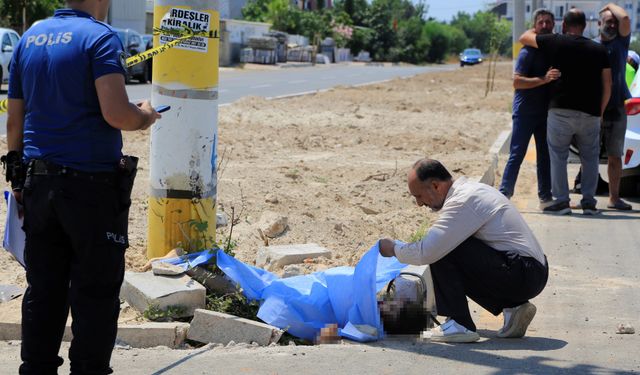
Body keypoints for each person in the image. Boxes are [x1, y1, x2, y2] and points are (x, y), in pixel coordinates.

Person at [5, 0, 160, 373]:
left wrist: (16, 176)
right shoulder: (100, 38)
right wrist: (146, 115)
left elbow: (14, 121)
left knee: (44, 289)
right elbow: (117, 114)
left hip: (38, 183)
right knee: (94, 291)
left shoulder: (31, 37)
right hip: (92, 187)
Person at [379, 159, 548, 343]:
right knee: (448, 243)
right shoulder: (470, 190)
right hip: (530, 271)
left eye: (419, 196)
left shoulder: (463, 201)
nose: (419, 204)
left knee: (442, 248)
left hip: (524, 273)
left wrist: (393, 248)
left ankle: (460, 324)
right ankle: (514, 307)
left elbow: (427, 252)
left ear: (435, 186)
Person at [520, 9, 611, 215]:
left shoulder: (555, 41)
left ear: (563, 25)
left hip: (560, 112)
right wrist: (600, 112)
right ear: (585, 26)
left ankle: (562, 202)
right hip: (590, 113)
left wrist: (538, 27)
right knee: (590, 158)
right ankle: (588, 202)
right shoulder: (599, 50)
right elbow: (608, 85)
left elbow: (523, 37)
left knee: (558, 157)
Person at [499, 8, 557, 207]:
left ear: (554, 25)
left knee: (545, 156)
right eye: (540, 22)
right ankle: (503, 196)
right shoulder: (527, 50)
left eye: (548, 22)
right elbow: (517, 82)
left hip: (545, 113)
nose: (544, 25)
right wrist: (543, 79)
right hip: (525, 112)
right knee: (517, 154)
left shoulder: (553, 50)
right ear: (535, 26)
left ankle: (545, 198)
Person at [598, 3, 632, 210]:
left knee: (614, 155)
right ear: (599, 23)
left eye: (614, 22)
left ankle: (614, 198)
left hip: (617, 106)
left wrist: (610, 5)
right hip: (593, 108)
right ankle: (587, 197)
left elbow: (626, 19)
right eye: (608, 21)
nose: (613, 25)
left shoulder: (621, 43)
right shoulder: (590, 45)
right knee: (588, 154)